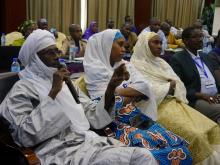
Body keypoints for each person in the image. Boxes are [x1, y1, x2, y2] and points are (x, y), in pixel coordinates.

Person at [0, 29, 158, 165]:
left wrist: (110, 87)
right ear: (35, 57)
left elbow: (93, 115)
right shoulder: (22, 89)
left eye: (57, 50)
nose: (57, 56)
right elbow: (24, 136)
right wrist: (54, 92)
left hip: (87, 142)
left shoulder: (66, 82)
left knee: (143, 156)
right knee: (141, 158)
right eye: (50, 52)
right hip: (58, 151)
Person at [83, 29, 192, 165]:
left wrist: (115, 90)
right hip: (113, 122)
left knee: (176, 144)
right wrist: (129, 94)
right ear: (106, 46)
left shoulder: (125, 64)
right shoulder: (94, 69)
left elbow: (145, 87)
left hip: (133, 114)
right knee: (159, 152)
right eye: (120, 45)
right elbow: (104, 102)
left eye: (125, 46)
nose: (124, 50)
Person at [131, 31, 220, 164]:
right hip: (154, 108)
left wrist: (171, 87)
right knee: (196, 135)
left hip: (175, 102)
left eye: (161, 42)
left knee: (212, 127)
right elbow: (144, 91)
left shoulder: (161, 62)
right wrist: (168, 87)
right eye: (155, 42)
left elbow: (178, 84)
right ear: (144, 45)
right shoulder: (134, 65)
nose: (159, 46)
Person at [170, 26, 220, 124]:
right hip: (196, 99)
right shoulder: (178, 59)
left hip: (215, 96)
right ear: (186, 41)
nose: (200, 39)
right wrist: (202, 95)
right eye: (195, 37)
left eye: (201, 36)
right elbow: (179, 87)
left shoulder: (205, 56)